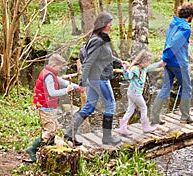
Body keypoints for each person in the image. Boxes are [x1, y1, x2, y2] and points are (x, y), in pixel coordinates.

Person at [64, 11, 127, 145]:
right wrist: (81, 82)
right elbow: (88, 62)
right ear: (103, 24)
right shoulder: (97, 41)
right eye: (109, 22)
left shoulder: (101, 38)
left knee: (90, 106)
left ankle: (69, 133)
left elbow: (106, 56)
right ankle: (107, 137)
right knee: (110, 105)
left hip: (95, 78)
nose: (111, 25)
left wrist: (120, 62)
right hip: (99, 78)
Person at [26, 53, 83, 162]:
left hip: (49, 107)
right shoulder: (48, 76)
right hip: (45, 108)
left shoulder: (50, 73)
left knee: (55, 128)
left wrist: (76, 87)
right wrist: (66, 90)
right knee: (50, 130)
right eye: (59, 68)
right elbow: (52, 93)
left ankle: (48, 150)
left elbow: (61, 81)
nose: (60, 70)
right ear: (53, 65)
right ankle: (32, 149)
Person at [150, 2, 193, 125]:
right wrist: (165, 58)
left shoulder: (173, 23)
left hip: (170, 62)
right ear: (190, 15)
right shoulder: (185, 28)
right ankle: (185, 117)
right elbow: (174, 44)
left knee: (166, 87)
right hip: (178, 63)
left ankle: (154, 116)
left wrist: (167, 58)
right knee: (187, 88)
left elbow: (172, 42)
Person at [119, 50, 165, 135]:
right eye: (148, 61)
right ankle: (145, 127)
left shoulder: (144, 69)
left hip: (133, 93)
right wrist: (126, 68)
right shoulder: (135, 69)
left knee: (130, 110)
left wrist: (161, 64)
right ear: (143, 61)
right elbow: (129, 76)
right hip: (135, 93)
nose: (149, 63)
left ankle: (122, 128)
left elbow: (152, 67)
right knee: (144, 108)